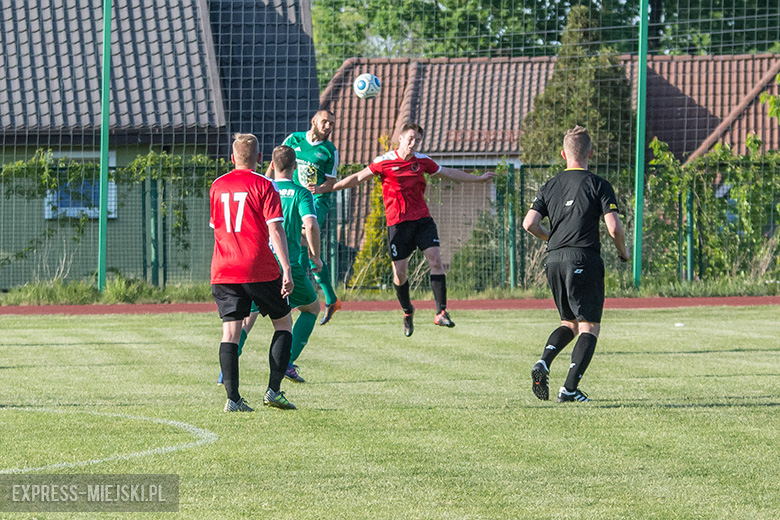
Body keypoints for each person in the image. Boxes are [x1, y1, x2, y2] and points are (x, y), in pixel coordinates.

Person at [329, 122, 495, 336]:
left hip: (422, 221)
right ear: (400, 138)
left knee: (436, 261)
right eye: (410, 138)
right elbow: (358, 178)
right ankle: (408, 311)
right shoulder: (384, 162)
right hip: (397, 225)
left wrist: (478, 179)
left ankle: (441, 312)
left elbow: (449, 173)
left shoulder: (422, 161)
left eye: (417, 139)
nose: (413, 143)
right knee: (399, 273)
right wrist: (331, 187)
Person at [522, 126, 629, 403]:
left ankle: (544, 362)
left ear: (563, 154)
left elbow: (529, 224)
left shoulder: (550, 185)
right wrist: (623, 252)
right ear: (590, 153)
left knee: (568, 322)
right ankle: (569, 389)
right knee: (589, 326)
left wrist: (552, 238)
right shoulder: (599, 184)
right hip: (583, 258)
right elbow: (614, 227)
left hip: (554, 260)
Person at [209, 133, 297, 411]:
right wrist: (287, 269)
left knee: (230, 332)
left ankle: (233, 399)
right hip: (258, 267)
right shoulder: (264, 184)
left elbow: (218, 228)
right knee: (283, 323)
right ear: (260, 159)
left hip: (223, 268)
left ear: (232, 159)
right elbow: (275, 228)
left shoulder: (217, 185)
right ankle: (273, 390)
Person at [271, 110, 342, 325]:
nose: (328, 126)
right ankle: (330, 299)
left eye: (331, 124)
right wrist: (266, 183)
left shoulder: (329, 150)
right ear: (314, 121)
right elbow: (278, 160)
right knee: (298, 241)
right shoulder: (294, 139)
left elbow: (331, 183)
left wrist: (319, 189)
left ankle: (298, 289)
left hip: (314, 202)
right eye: (325, 122)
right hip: (290, 196)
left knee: (303, 235)